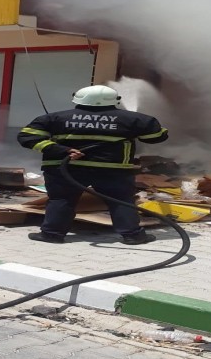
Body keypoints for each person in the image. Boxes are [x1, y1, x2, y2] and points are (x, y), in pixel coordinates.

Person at [18, 84, 168, 245]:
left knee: (61, 200)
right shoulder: (134, 119)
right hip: (112, 170)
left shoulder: (54, 118)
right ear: (115, 100)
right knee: (121, 201)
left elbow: (27, 137)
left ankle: (52, 234)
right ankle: (133, 236)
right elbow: (157, 137)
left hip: (65, 168)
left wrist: (61, 150)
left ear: (77, 99)